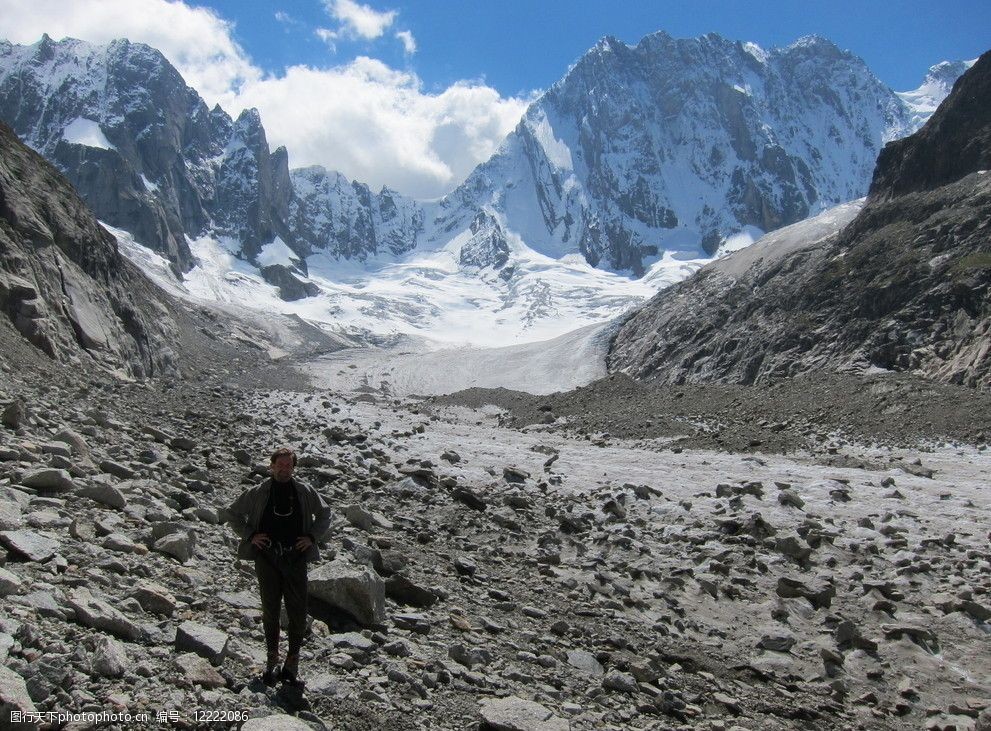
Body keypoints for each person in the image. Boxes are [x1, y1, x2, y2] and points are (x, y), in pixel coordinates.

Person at [225, 446, 332, 686]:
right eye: (280, 465)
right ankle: (272, 657)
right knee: (270, 609)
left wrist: (313, 537)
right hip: (267, 558)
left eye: (288, 465)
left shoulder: (304, 491)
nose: (284, 469)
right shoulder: (258, 492)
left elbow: (325, 513)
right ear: (271, 466)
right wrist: (250, 534)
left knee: (297, 610)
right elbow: (231, 513)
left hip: (296, 558)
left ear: (294, 468)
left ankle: (292, 660)